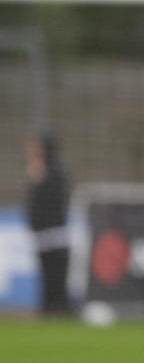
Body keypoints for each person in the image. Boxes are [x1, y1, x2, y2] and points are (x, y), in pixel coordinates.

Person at [24, 132, 71, 316]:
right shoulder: (41, 169)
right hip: (42, 234)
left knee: (56, 272)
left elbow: (53, 202)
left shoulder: (55, 170)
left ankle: (58, 307)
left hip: (55, 233)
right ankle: (48, 307)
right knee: (45, 273)